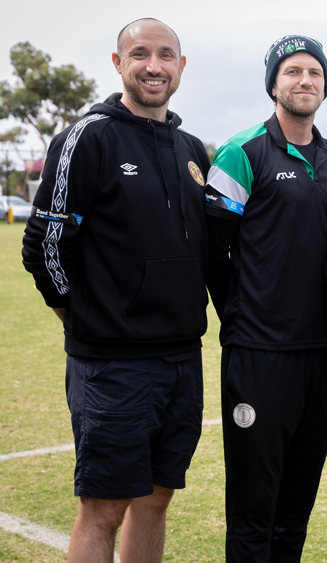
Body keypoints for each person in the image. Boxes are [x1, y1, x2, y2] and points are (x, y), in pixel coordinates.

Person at [21, 18, 208, 563]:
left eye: (166, 55)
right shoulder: (88, 137)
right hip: (111, 363)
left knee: (157, 497)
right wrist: (77, 316)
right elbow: (45, 245)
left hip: (181, 357)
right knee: (103, 508)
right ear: (118, 62)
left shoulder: (192, 148)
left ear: (181, 66)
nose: (154, 66)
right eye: (141, 54)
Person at [203, 34, 327, 562]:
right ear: (273, 84)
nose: (304, 80)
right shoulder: (241, 153)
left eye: (314, 72)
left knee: (296, 506)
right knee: (253, 507)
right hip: (259, 356)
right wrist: (243, 316)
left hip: (321, 354)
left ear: (325, 84)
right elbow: (210, 249)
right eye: (292, 72)